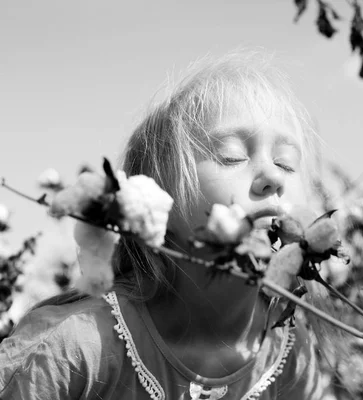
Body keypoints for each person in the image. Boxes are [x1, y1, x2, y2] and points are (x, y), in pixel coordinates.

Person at [0, 51, 329, 399]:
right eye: (231, 156)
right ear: (155, 199)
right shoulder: (73, 347)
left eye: (287, 164)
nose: (273, 177)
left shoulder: (290, 355)